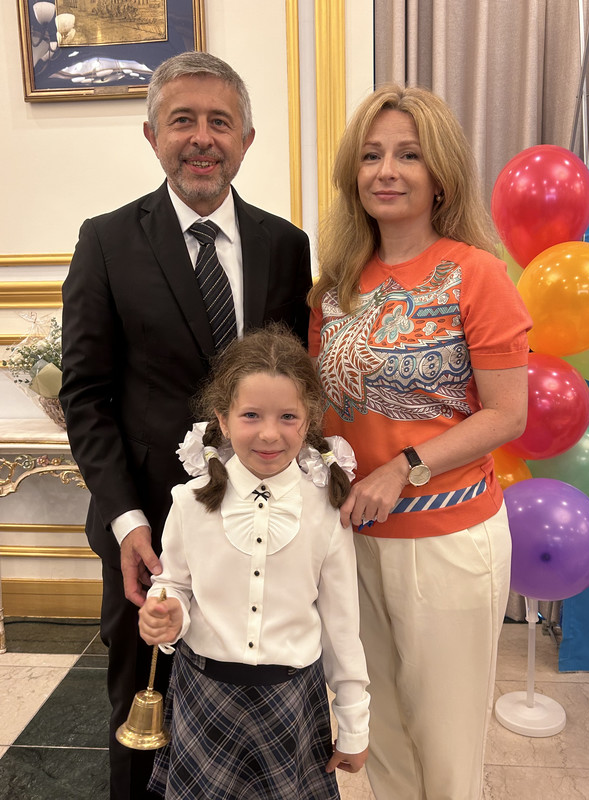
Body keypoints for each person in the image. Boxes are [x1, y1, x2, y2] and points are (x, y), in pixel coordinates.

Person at [59, 52, 312, 800]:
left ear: (247, 139)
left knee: (257, 700)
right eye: (182, 120)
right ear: (150, 134)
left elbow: (297, 392)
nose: (202, 138)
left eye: (219, 122)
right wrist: (129, 522)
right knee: (145, 706)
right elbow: (87, 394)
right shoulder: (106, 240)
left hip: (265, 526)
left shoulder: (286, 245)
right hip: (148, 532)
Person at [308, 85, 532, 800]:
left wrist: (404, 468)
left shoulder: (476, 272)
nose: (387, 171)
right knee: (377, 739)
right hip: (353, 540)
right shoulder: (334, 288)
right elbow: (321, 413)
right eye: (371, 156)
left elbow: (507, 415)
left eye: (408, 155)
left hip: (448, 541)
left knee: (447, 744)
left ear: (441, 174)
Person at [138, 325, 369, 799]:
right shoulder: (188, 502)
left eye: (287, 416)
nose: (269, 433)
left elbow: (343, 626)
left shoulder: (327, 510)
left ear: (308, 422)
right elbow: (175, 584)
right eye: (250, 415)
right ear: (221, 419)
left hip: (292, 703)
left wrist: (354, 725)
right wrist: (166, 611)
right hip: (204, 699)